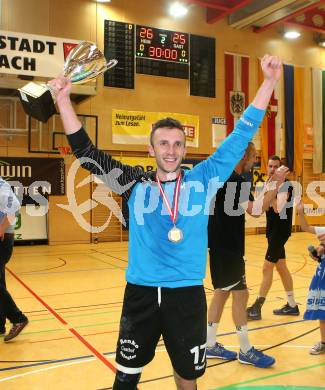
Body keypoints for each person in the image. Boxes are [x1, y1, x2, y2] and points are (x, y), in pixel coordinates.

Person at [49, 54, 282, 390]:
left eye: (177, 144)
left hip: (186, 296)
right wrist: (62, 100)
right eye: (163, 143)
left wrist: (269, 83)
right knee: (126, 377)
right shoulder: (133, 182)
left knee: (187, 379)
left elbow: (240, 134)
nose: (170, 151)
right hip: (140, 295)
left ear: (185, 149)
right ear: (150, 149)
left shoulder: (203, 179)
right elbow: (88, 155)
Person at [207, 143, 288, 368]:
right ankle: (245, 350)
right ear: (244, 155)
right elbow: (256, 210)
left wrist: (271, 185)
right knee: (240, 295)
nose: (254, 162)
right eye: (253, 157)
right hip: (229, 248)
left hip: (218, 246)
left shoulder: (222, 177)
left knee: (222, 293)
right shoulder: (236, 181)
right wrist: (277, 184)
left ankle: (209, 344)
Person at [247, 155, 299, 320]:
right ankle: (292, 305)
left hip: (280, 232)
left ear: (281, 169)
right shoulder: (267, 184)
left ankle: (257, 306)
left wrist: (270, 193)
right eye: (270, 166)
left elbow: (277, 208)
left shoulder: (287, 186)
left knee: (266, 268)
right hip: (272, 231)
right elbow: (258, 204)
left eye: (276, 167)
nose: (272, 170)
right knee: (281, 267)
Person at [0, 176, 29, 342]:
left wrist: (1, 228)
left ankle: (18, 318)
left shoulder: (0, 184)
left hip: (2, 239)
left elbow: (14, 207)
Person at [296, 201, 325, 355]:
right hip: (322, 277)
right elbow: (305, 228)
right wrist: (300, 212)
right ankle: (324, 342)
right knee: (323, 313)